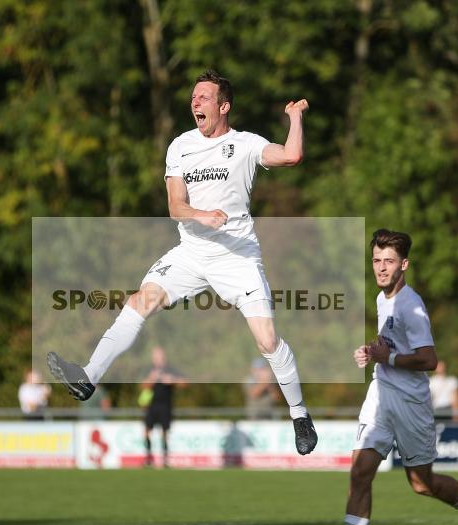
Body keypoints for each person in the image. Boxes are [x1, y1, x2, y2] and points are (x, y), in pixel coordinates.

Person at [47, 69, 318, 455]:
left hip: (236, 256)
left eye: (204, 97)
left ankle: (299, 414)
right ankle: (88, 376)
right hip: (190, 252)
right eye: (193, 97)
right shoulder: (180, 146)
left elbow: (292, 155)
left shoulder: (245, 144)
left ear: (224, 106)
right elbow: (175, 206)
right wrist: (201, 215)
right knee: (140, 300)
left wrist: (294, 118)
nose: (195, 102)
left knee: (267, 339)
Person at [323, 229, 458, 525]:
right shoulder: (381, 298)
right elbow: (390, 344)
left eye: (389, 261)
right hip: (381, 393)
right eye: (376, 260)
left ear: (404, 264)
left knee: (422, 483)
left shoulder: (411, 304)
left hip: (411, 402)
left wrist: (385, 357)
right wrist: (372, 351)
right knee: (360, 471)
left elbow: (429, 359)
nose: (381, 268)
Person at [141, 346, 187, 467]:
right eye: (155, 357)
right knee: (146, 430)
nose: (158, 359)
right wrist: (152, 378)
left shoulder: (170, 370)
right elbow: (143, 386)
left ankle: (165, 459)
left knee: (164, 432)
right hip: (151, 405)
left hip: (165, 405)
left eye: (160, 357)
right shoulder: (150, 370)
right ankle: (148, 458)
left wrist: (173, 380)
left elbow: (185, 383)